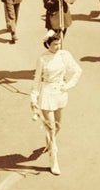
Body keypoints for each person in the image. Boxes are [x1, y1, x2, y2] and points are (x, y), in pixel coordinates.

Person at [30, 30, 82, 175]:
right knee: (52, 129)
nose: (57, 47)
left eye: (59, 43)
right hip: (46, 94)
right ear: (48, 45)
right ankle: (53, 160)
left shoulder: (65, 55)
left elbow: (77, 71)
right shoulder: (42, 59)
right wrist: (33, 98)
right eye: (54, 44)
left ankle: (49, 141)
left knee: (58, 126)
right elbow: (37, 80)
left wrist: (68, 85)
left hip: (59, 94)